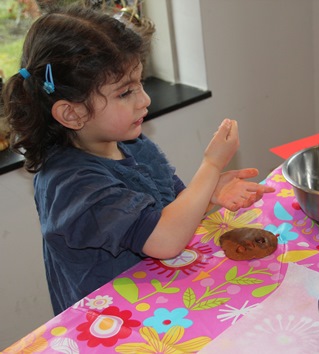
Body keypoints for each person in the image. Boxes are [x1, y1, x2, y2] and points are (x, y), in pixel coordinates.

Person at [2, 5, 275, 315]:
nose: (144, 99)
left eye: (140, 83)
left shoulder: (130, 143)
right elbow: (165, 239)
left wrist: (208, 193)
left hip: (157, 301)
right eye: (125, 92)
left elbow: (170, 211)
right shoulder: (72, 185)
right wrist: (210, 167)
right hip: (109, 323)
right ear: (72, 113)